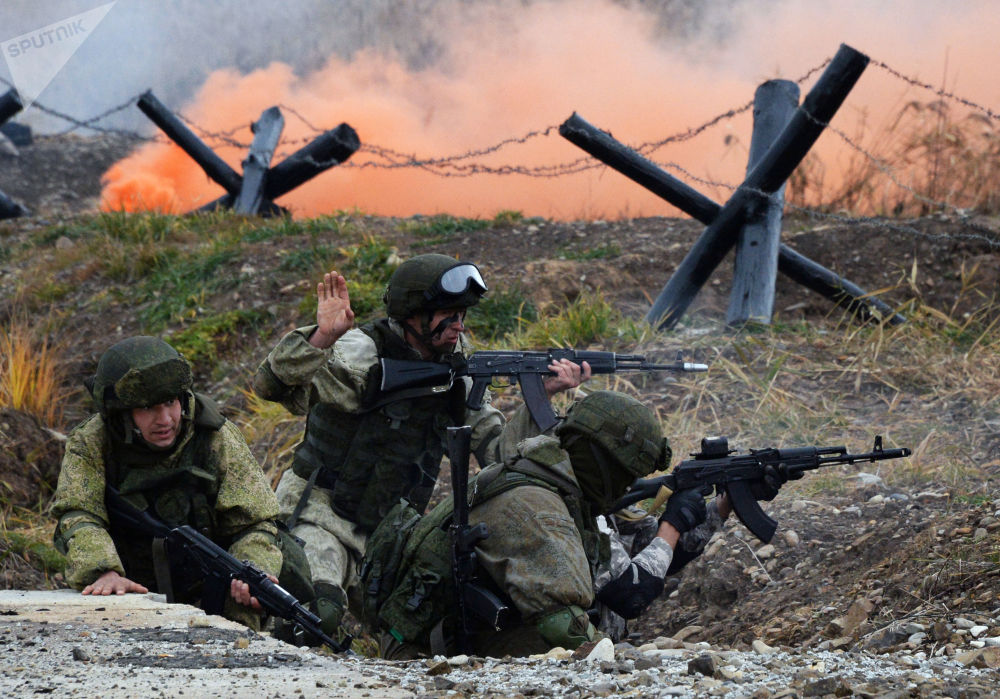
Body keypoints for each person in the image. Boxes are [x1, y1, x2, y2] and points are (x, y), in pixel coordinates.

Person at [252, 253, 589, 636]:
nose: (458, 326)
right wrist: (322, 338)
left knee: (434, 634)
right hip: (321, 514)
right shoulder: (361, 353)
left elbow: (499, 454)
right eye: (447, 314)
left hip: (388, 534)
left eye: (462, 315)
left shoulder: (456, 377)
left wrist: (539, 399)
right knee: (316, 616)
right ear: (413, 313)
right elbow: (271, 385)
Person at [361, 390, 779, 659]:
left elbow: (645, 557)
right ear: (599, 461)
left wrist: (722, 506)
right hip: (432, 655)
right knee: (586, 642)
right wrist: (672, 523)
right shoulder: (537, 506)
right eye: (623, 473)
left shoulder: (566, 485)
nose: (627, 485)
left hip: (464, 639)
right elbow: (627, 593)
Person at [51, 336, 299, 632]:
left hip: (211, 587)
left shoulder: (215, 437)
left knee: (243, 622)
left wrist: (253, 571)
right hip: (131, 585)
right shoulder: (93, 441)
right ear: (120, 412)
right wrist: (103, 571)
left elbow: (256, 521)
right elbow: (78, 514)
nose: (165, 418)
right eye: (148, 408)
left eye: (170, 402)